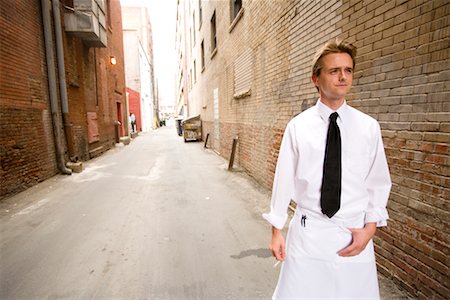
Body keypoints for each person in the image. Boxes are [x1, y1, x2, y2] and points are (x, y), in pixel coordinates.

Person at [263, 39, 392, 299]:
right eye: (334, 71)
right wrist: (276, 230)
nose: (343, 77)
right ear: (316, 78)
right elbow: (283, 180)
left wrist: (369, 230)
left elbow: (377, 182)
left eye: (348, 70)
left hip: (353, 234)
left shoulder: (368, 127)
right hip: (310, 233)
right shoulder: (298, 127)